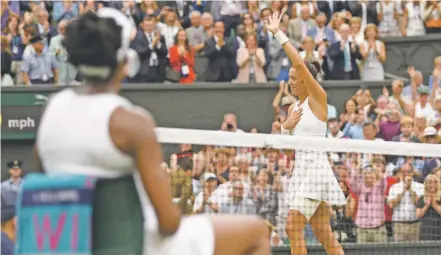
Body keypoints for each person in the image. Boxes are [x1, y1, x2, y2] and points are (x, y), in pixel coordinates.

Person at [33, 9, 270, 255]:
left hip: (74, 245)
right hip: (141, 245)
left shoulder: (52, 109)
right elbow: (169, 224)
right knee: (256, 232)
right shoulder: (132, 123)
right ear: (125, 62)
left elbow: (45, 180)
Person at [264, 13, 346, 255]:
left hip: (316, 172)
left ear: (305, 79)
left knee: (291, 228)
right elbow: (289, 150)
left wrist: (277, 33)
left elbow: (299, 63)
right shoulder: (292, 108)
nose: (290, 82)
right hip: (301, 171)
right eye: (288, 78)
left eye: (293, 78)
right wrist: (285, 127)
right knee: (324, 235)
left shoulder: (318, 99)